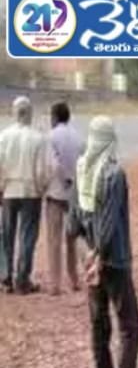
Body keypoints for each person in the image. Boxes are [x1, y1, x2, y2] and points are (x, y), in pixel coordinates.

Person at [68, 116, 138, 368]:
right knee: (130, 322)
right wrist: (100, 254)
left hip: (90, 259)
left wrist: (87, 257)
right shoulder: (113, 173)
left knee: (98, 321)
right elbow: (110, 220)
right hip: (113, 259)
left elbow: (73, 221)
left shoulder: (81, 169)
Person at [0, 96, 51, 294]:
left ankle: (6, 278)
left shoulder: (3, 137)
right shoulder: (38, 138)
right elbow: (43, 170)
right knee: (28, 235)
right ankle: (23, 279)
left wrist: (1, 187)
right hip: (31, 191)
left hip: (9, 190)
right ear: (30, 114)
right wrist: (41, 188)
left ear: (14, 113)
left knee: (7, 235)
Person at [45, 101, 83, 295]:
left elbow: (54, 164)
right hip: (74, 193)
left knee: (54, 239)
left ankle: (55, 284)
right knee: (72, 238)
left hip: (56, 191)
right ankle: (74, 278)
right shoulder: (78, 136)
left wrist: (65, 178)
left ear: (54, 117)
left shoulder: (51, 137)